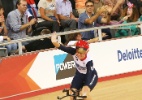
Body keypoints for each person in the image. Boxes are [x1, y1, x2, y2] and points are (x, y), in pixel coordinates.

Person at [51, 32, 98, 100]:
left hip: (90, 75)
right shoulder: (73, 52)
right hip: (79, 74)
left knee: (84, 94)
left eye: (81, 52)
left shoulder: (89, 61)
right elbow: (60, 46)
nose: (79, 54)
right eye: (78, 51)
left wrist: (84, 87)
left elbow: (88, 75)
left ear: (87, 51)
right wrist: (53, 41)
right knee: (72, 95)